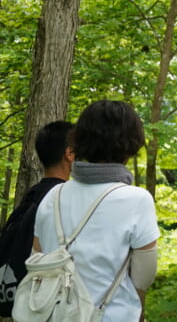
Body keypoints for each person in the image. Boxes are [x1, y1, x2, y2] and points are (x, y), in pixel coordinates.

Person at [32, 101, 159, 321]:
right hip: (111, 314)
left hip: (54, 314)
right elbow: (144, 276)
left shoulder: (53, 195)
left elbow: (37, 257)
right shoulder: (137, 199)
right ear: (131, 143)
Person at [0, 121, 73, 318]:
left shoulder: (34, 193)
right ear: (69, 153)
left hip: (25, 299)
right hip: (48, 303)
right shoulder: (62, 197)